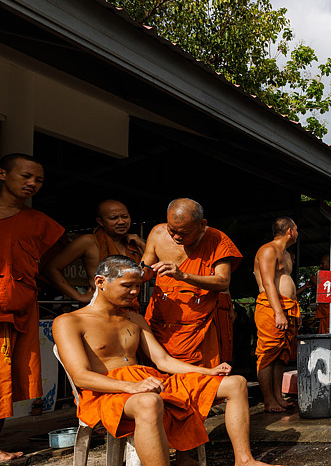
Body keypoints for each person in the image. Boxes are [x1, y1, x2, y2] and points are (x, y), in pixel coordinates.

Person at [53, 255, 276, 466]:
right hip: (104, 392)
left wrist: (207, 372)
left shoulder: (135, 319)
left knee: (235, 383)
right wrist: (132, 387)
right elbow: (81, 377)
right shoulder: (69, 321)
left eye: (138, 286)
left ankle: (244, 460)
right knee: (149, 401)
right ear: (100, 282)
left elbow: (163, 361)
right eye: (127, 285)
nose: (134, 292)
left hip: (146, 381)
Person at [0, 153, 65, 462]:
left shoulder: (40, 223)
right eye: (26, 176)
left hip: (18, 311)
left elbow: (57, 264)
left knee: (4, 379)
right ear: (2, 175)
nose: (32, 184)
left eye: (38, 179)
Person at [143, 199, 242, 367]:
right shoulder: (157, 233)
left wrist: (184, 276)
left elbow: (223, 282)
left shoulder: (217, 240)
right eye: (172, 230)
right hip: (162, 318)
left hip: (199, 325)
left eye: (184, 233)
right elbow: (145, 271)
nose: (176, 237)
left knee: (201, 380)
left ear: (202, 224)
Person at [45, 199, 145, 304]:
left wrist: (142, 244)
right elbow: (50, 269)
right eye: (113, 218)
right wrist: (78, 296)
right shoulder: (89, 241)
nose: (121, 222)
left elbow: (151, 271)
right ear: (100, 221)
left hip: (130, 305)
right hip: (98, 307)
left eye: (125, 217)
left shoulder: (133, 243)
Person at [254, 218, 300, 413]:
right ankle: (268, 400)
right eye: (296, 229)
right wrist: (278, 312)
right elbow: (268, 283)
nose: (298, 233)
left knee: (281, 355)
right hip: (271, 308)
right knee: (267, 354)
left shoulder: (287, 254)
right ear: (290, 231)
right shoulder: (268, 250)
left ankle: (277, 397)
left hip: (287, 308)